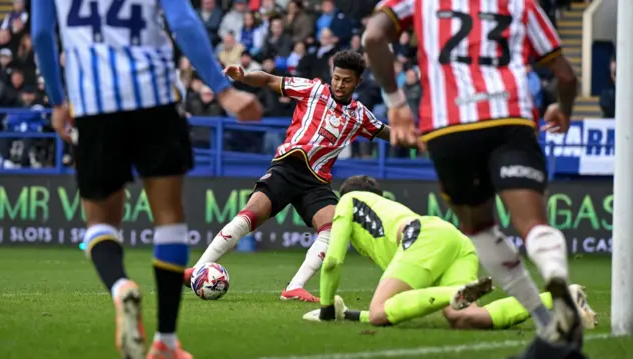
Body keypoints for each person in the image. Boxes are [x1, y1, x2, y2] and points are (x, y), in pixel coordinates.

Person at [31, 0, 262, 358]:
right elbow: (183, 22)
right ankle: (166, 341)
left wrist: (58, 101)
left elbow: (43, 33)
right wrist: (223, 89)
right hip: (155, 100)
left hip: (94, 105)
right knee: (169, 219)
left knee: (100, 223)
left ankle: (121, 286)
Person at [362, 0, 582, 353]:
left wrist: (396, 103)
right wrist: (564, 109)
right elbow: (567, 75)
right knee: (534, 224)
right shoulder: (522, 4)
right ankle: (557, 279)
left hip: (449, 127)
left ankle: (544, 320)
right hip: (510, 120)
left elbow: (373, 37)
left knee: (480, 227)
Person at [185, 50, 393, 302]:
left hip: (316, 182)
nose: (339, 84)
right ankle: (197, 270)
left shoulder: (360, 115)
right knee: (249, 216)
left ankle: (294, 287)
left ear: (358, 82)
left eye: (346, 80)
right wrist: (243, 76)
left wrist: (424, 140)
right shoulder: (313, 89)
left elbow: (388, 133)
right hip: (287, 167)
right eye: (336, 78)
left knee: (334, 228)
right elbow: (268, 80)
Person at [303, 176, 597, 332]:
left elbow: (332, 261)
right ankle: (563, 298)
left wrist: (327, 309)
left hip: (424, 238)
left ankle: (456, 292)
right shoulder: (383, 225)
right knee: (464, 318)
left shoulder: (349, 201)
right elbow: (407, 305)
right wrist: (351, 315)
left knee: (381, 311)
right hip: (454, 241)